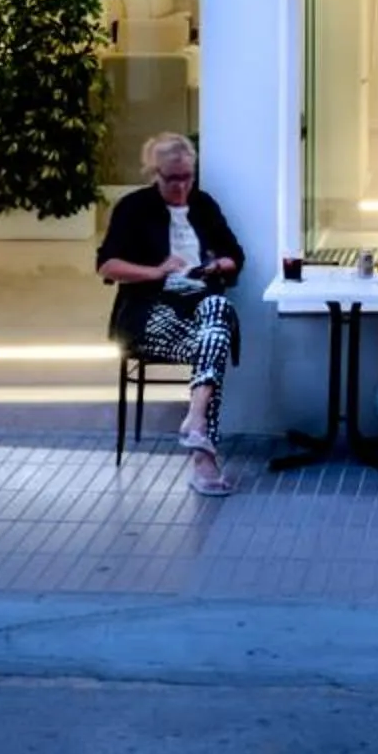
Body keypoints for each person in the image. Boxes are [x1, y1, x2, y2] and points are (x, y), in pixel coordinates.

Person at [95, 133, 245, 494]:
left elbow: (235, 257)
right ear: (153, 174)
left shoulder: (204, 205)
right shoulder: (133, 208)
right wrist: (156, 271)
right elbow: (107, 265)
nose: (181, 187)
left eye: (187, 178)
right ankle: (203, 458)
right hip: (149, 310)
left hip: (200, 304)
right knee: (214, 342)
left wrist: (215, 267)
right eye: (171, 179)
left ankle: (195, 420)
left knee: (218, 311)